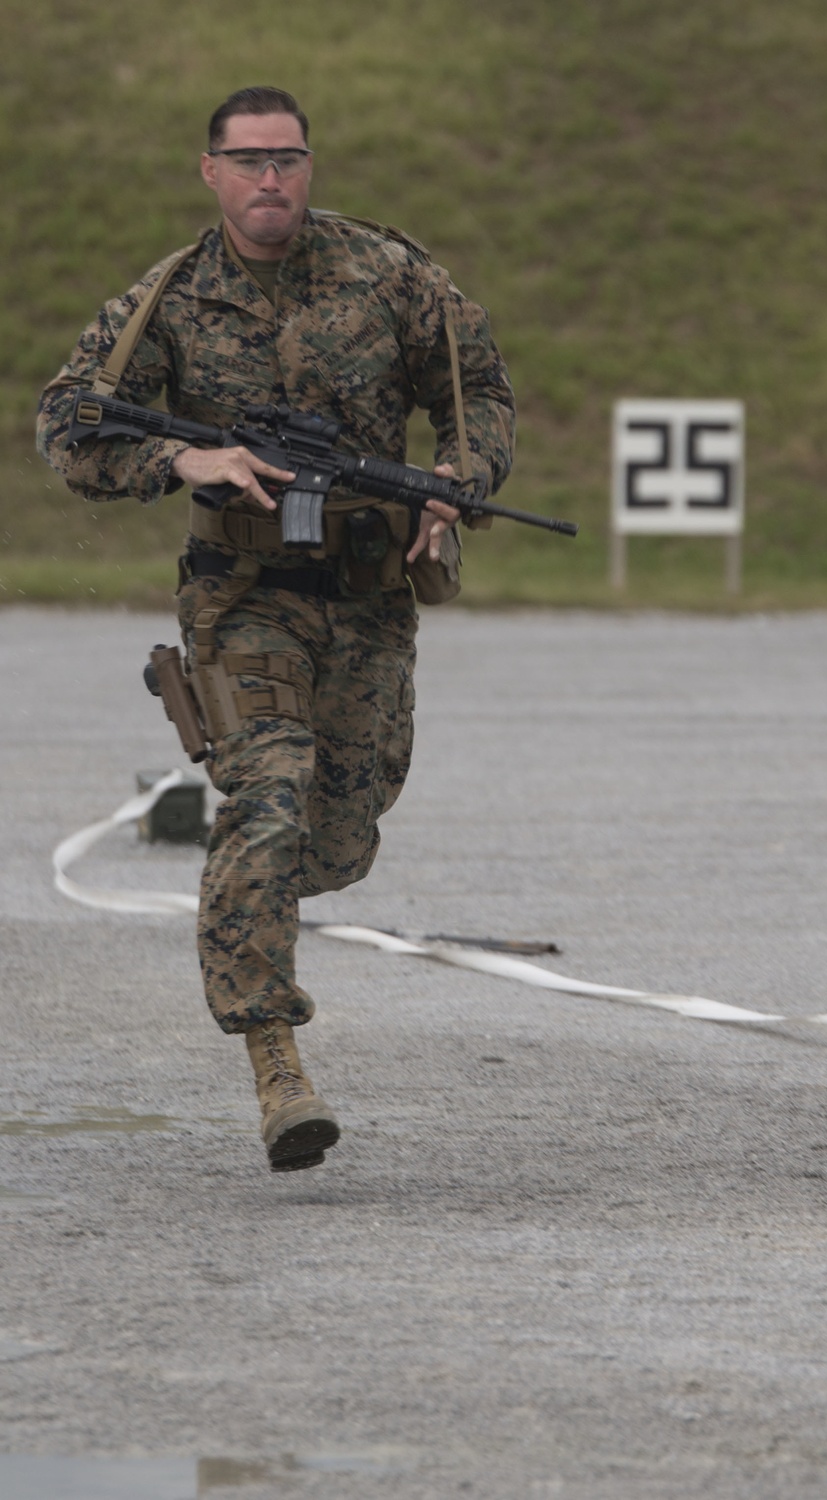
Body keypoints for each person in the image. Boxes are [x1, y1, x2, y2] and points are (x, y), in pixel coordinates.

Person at [36, 86, 516, 1173]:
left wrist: (457, 478)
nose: (270, 179)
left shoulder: (392, 276)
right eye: (248, 160)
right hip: (240, 596)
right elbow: (68, 425)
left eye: (288, 159)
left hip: (366, 596)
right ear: (210, 171)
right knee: (271, 791)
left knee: (337, 838)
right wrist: (181, 460)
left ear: (310, 167)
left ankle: (248, 895)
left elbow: (477, 388)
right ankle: (277, 1064)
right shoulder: (166, 300)